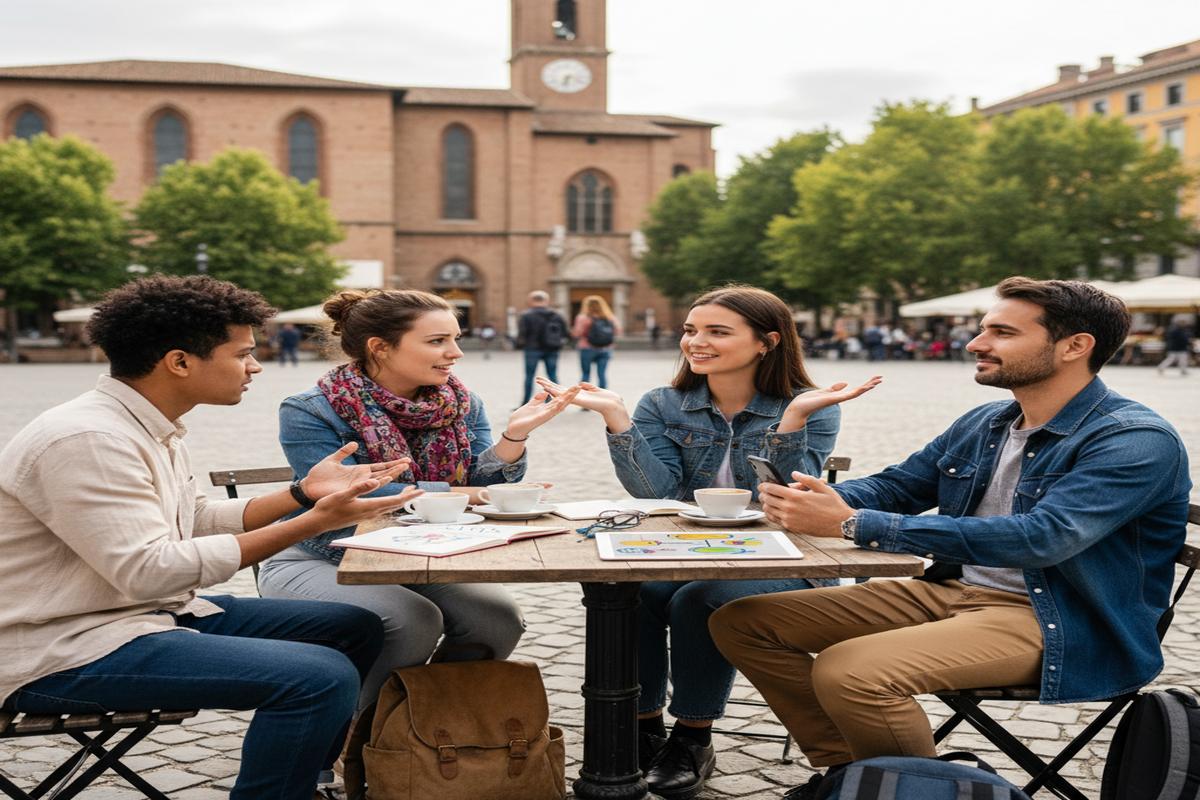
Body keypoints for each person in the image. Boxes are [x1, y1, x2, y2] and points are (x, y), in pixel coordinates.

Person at [709, 277, 1191, 800]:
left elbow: (1043, 539)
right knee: (743, 622)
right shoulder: (988, 421)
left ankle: (920, 790)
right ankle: (853, 776)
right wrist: (816, 499)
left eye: (1001, 332)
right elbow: (900, 485)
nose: (975, 343)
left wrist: (851, 524)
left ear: (1076, 346)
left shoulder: (1133, 439)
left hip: (1058, 618)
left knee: (850, 672)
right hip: (952, 592)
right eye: (983, 328)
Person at [0, 276, 423, 800]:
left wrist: (301, 494)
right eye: (242, 353)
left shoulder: (144, 423)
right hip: (58, 644)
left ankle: (302, 779)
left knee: (353, 627)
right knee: (318, 676)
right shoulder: (90, 438)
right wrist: (312, 522)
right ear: (180, 362)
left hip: (131, 613)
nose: (256, 366)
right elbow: (150, 570)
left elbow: (193, 516)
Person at [538, 285, 880, 800]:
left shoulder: (807, 405)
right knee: (636, 590)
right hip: (688, 546)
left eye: (717, 332)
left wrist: (792, 424)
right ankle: (644, 728)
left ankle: (693, 738)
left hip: (784, 555)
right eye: (691, 330)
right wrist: (618, 420)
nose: (696, 342)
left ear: (767, 342)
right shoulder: (664, 403)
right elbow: (655, 492)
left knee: (701, 598)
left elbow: (792, 500)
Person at [259, 289, 579, 713]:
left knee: (496, 620)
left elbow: (480, 481)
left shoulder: (462, 403)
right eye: (437, 341)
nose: (456, 353)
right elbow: (348, 493)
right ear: (380, 348)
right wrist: (459, 494)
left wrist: (513, 436)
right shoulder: (312, 409)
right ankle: (350, 738)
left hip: (422, 555)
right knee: (411, 620)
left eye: (456, 338)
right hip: (322, 557)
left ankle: (422, 728)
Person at [518, 290, 569, 404]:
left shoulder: (526, 315)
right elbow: (565, 332)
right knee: (552, 376)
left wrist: (522, 344)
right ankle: (557, 402)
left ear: (531, 301)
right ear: (546, 301)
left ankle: (525, 403)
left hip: (532, 349)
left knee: (529, 376)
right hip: (552, 349)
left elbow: (522, 334)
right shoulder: (556, 315)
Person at [573, 294, 621, 389]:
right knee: (602, 374)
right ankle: (602, 397)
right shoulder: (610, 317)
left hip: (586, 347)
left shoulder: (583, 318)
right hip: (605, 348)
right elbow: (618, 331)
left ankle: (584, 396)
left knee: (586, 374)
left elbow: (577, 333)